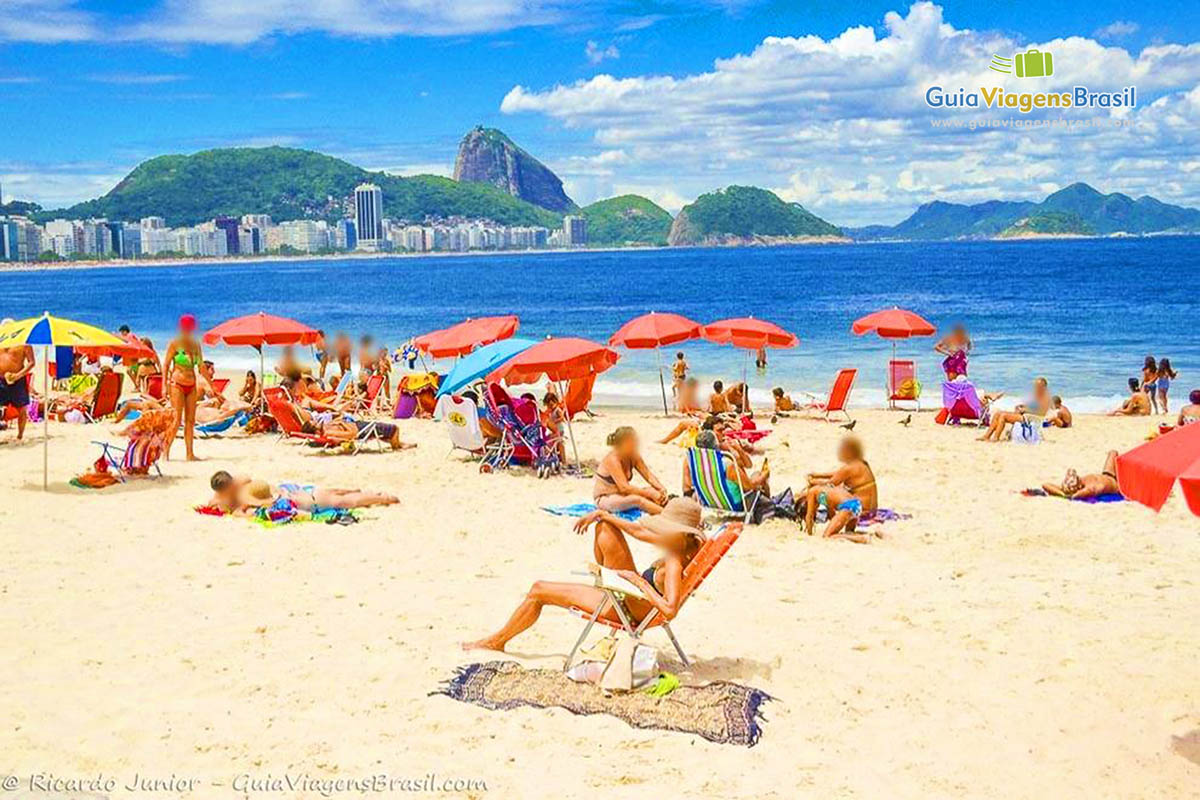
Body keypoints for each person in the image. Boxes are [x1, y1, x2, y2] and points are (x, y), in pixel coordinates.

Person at [463, 498, 715, 653]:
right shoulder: (687, 546)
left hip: (624, 608)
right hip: (631, 599)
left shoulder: (673, 561)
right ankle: (605, 580)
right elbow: (638, 532)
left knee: (538, 590)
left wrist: (639, 582)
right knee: (605, 526)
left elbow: (670, 609)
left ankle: (496, 641)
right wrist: (604, 514)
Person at [208, 471, 399, 515]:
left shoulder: (241, 494)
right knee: (329, 491)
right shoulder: (241, 480)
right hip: (293, 489)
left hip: (299, 499)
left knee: (344, 502)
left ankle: (382, 497)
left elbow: (262, 505)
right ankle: (358, 490)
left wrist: (239, 511)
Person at [162, 314, 206, 460]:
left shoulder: (195, 345)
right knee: (176, 419)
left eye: (190, 328)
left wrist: (213, 386)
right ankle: (166, 451)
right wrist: (164, 385)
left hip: (191, 384)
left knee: (190, 420)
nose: (188, 331)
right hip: (177, 383)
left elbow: (201, 367)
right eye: (185, 328)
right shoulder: (174, 344)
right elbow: (166, 365)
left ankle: (189, 454)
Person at [594, 426, 668, 514]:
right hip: (606, 497)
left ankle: (664, 510)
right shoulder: (613, 459)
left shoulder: (633, 456)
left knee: (654, 492)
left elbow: (648, 476)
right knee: (637, 500)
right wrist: (649, 494)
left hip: (622, 495)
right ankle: (666, 515)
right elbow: (624, 488)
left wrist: (661, 488)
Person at [681, 429, 770, 499]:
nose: (723, 433)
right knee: (758, 475)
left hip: (709, 501)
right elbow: (750, 487)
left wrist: (737, 449)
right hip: (734, 505)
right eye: (719, 431)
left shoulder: (695, 462)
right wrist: (764, 475)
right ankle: (769, 504)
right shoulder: (727, 465)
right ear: (716, 444)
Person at [805, 435, 877, 514]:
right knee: (834, 489)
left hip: (860, 509)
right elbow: (838, 474)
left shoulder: (849, 468)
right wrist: (818, 475)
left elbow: (831, 484)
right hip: (871, 509)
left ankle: (819, 514)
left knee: (818, 491)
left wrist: (814, 482)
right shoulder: (861, 464)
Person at [977, 377, 1051, 442]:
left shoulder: (1046, 398)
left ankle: (996, 438)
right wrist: (1022, 406)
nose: (1035, 388)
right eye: (1035, 386)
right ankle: (987, 436)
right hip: (1026, 415)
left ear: (1043, 387)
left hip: (1031, 418)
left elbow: (1041, 413)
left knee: (1003, 416)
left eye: (1037, 386)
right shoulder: (1036, 394)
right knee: (997, 414)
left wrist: (1026, 410)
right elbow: (1032, 406)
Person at [1042, 451, 1121, 500]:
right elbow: (1045, 485)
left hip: (1107, 474)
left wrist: (1062, 492)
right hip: (1118, 485)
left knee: (1113, 452)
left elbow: (1045, 485)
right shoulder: (1090, 487)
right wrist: (1064, 495)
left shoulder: (1080, 483)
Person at [0, 334, 35, 441]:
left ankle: (20, 436)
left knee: (21, 408)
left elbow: (31, 362)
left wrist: (18, 375)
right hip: (1, 378)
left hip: (18, 379)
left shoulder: (24, 343)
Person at [541, 391, 566, 462]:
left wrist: (554, 421)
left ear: (554, 402)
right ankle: (556, 457)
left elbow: (562, 418)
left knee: (556, 442)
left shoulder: (557, 410)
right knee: (553, 441)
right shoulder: (551, 410)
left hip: (559, 429)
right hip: (554, 430)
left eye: (551, 404)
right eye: (548, 405)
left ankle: (560, 458)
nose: (549, 406)